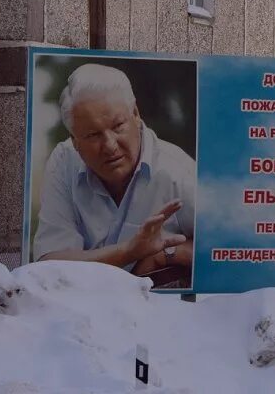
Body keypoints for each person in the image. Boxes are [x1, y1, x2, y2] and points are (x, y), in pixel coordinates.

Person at [33, 63, 195, 281]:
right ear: (75, 141)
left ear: (136, 114)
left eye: (118, 126)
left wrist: (165, 254)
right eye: (93, 135)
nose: (109, 145)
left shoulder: (180, 172)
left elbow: (231, 252)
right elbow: (50, 266)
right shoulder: (64, 161)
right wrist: (130, 252)